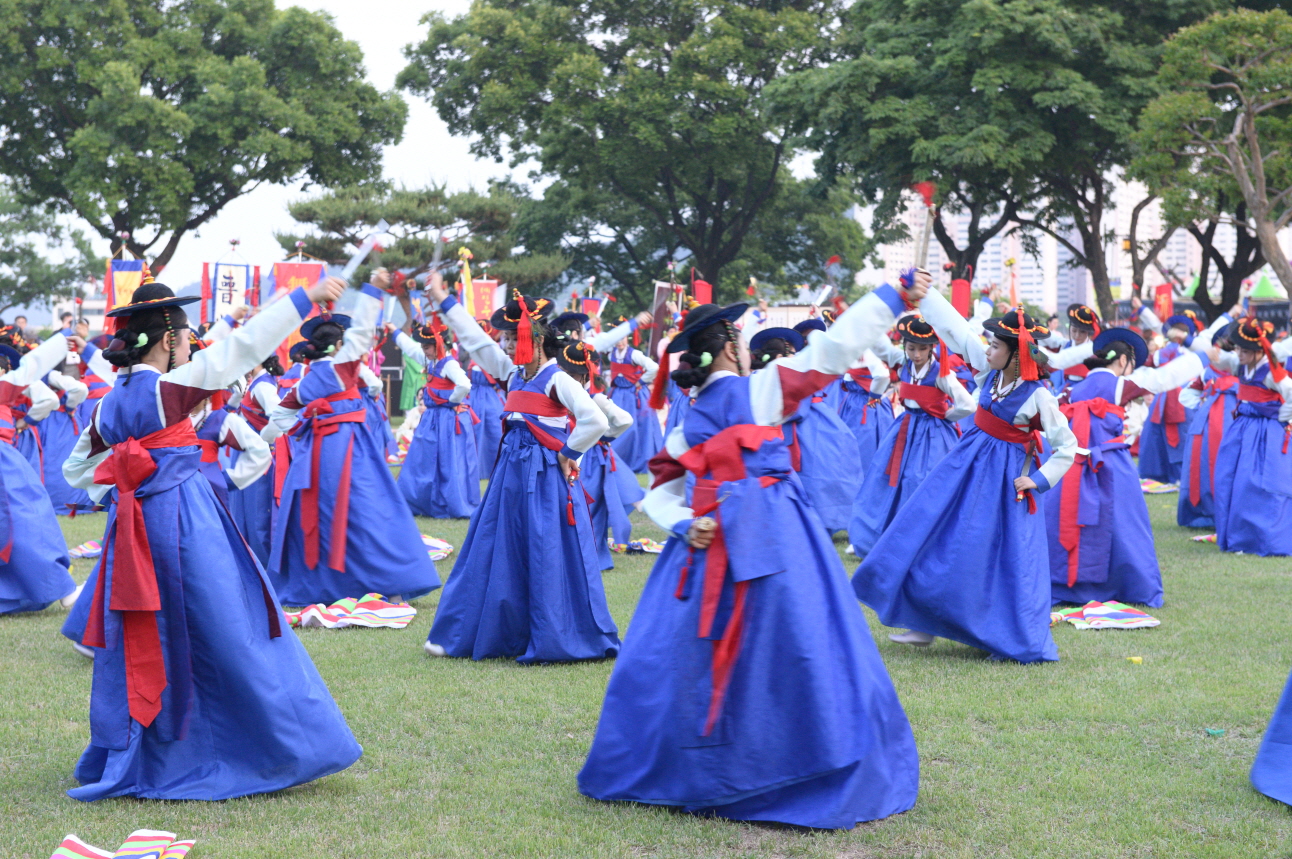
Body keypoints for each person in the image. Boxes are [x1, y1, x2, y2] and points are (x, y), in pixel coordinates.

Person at [579, 276, 926, 829]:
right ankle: (797, 759)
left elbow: (659, 496)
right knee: (803, 641)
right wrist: (892, 297)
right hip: (778, 535)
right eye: (742, 339)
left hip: (707, 540)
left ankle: (696, 764)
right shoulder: (761, 390)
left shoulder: (686, 422)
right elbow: (833, 349)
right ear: (731, 347)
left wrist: (686, 523)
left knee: (690, 654)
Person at [61, 276, 361, 801]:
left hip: (133, 530)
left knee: (149, 634)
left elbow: (76, 469)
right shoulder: (168, 390)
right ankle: (255, 745)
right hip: (185, 520)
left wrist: (127, 482)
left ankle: (150, 748)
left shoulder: (107, 404)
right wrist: (303, 299)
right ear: (169, 339)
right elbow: (242, 347)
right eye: (183, 336)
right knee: (227, 625)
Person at [853, 291, 1077, 662]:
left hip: (1005, 481)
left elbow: (1067, 446)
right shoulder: (988, 375)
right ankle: (923, 620)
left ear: (1015, 353)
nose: (987, 349)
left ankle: (1003, 634)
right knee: (934, 531)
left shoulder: (1039, 396)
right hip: (966, 465)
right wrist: (925, 298)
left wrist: (1037, 479)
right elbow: (957, 331)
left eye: (994, 345)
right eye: (988, 344)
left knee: (993, 553)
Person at [424, 282, 618, 663]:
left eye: (514, 338)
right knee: (495, 548)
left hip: (546, 478)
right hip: (509, 476)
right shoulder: (513, 376)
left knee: (545, 550)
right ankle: (490, 631)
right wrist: (445, 302)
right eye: (507, 339)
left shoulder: (558, 378)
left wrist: (569, 452)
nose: (508, 346)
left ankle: (551, 635)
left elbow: (594, 420)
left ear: (536, 338)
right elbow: (477, 343)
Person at [267, 272, 441, 606]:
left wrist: (299, 431)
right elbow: (363, 331)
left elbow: (278, 419)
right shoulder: (344, 369)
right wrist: (372, 288)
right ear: (338, 345)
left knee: (321, 513)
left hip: (314, 454)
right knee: (369, 509)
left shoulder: (305, 381)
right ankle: (389, 582)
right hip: (350, 448)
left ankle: (323, 583)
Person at [1043, 328, 1203, 607]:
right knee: (1125, 525)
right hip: (1109, 464)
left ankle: (1066, 586)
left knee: (1067, 521)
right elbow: (1163, 378)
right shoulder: (1121, 385)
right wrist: (1200, 357)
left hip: (1070, 467)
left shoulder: (1070, 390)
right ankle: (1128, 585)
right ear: (1122, 361)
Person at [849, 317, 974, 556]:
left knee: (923, 483)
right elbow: (880, 346)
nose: (916, 354)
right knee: (883, 479)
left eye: (923, 349)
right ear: (904, 347)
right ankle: (877, 538)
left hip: (934, 435)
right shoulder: (901, 362)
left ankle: (921, 543)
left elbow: (968, 405)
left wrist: (947, 416)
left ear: (932, 348)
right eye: (911, 348)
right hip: (905, 429)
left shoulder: (942, 374)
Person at [0, 335, 79, 615]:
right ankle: (62, 588)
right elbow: (33, 370)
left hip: (12, 448)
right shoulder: (7, 386)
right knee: (26, 519)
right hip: (7, 456)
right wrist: (61, 343)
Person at [553, 341, 640, 570]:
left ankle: (581, 557)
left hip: (578, 455)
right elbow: (623, 421)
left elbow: (625, 420)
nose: (566, 377)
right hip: (579, 455)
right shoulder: (587, 395)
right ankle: (588, 556)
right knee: (585, 509)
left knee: (580, 507)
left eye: (569, 373)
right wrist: (603, 437)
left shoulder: (588, 397)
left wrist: (601, 437)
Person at [1210, 318, 1292, 556]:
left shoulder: (1272, 372)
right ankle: (1240, 537)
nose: (1239, 353)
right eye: (1238, 348)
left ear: (1259, 352)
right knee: (1232, 480)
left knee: (1261, 484)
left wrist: (1281, 416)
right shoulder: (1241, 364)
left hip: (1267, 432)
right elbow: (1217, 357)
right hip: (1243, 428)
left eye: (1245, 350)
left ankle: (1266, 540)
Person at [392, 316, 481, 518]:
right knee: (424, 459)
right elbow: (412, 349)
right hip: (434, 418)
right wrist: (395, 332)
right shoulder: (433, 361)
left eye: (427, 347)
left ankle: (449, 502)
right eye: (423, 347)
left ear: (438, 344)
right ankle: (421, 500)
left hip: (448, 419)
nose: (423, 351)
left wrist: (452, 400)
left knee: (448, 461)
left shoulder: (449, 364)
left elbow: (465, 384)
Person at [1133, 302, 1207, 485]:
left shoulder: (1192, 350)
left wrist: (1142, 309)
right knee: (1159, 436)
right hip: (1169, 400)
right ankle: (1162, 475)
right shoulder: (1168, 351)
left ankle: (1176, 476)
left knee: (1179, 437)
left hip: (1181, 400)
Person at [228, 355, 285, 566]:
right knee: (247, 511)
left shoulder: (263, 387)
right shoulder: (258, 383)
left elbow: (280, 417)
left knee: (257, 514)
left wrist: (262, 441)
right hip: (247, 453)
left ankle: (262, 564)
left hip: (256, 457)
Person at [606, 329, 661, 474]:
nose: (619, 342)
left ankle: (639, 459)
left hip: (634, 395)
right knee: (615, 424)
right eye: (617, 339)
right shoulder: (611, 353)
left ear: (627, 338)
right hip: (617, 394)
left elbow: (654, 367)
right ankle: (615, 459)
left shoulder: (634, 354)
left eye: (622, 338)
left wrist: (641, 382)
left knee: (638, 427)